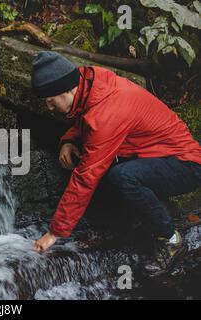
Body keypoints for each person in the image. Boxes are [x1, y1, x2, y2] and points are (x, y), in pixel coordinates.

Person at [30, 51, 201, 276]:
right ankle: (113, 228)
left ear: (68, 90)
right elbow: (86, 115)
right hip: (152, 154)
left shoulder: (108, 112)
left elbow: (85, 177)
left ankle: (171, 238)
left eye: (51, 101)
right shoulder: (90, 82)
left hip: (185, 164)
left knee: (121, 175)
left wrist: (55, 232)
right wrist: (69, 140)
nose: (49, 108)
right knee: (105, 165)